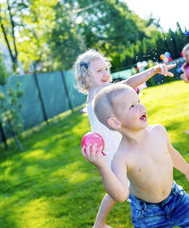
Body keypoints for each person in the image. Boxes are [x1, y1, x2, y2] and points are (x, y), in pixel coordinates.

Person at [82, 84, 189, 228]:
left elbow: (172, 153)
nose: (142, 107)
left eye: (138, 101)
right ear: (115, 122)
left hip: (175, 197)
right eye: (132, 106)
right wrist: (102, 166)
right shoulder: (121, 157)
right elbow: (121, 195)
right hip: (147, 212)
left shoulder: (158, 131)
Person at [73, 49, 175, 228]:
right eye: (99, 71)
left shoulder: (97, 94)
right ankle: (152, 211)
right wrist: (152, 71)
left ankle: (100, 224)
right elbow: (127, 84)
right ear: (86, 77)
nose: (105, 74)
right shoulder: (99, 92)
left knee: (122, 187)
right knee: (127, 187)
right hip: (114, 153)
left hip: (118, 148)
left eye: (106, 69)